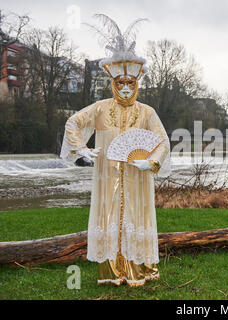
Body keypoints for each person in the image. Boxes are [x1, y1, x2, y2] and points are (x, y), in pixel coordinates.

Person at [60, 15, 170, 287]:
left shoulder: (147, 112)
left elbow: (163, 142)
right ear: (112, 83)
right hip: (107, 176)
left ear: (137, 83)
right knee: (108, 216)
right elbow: (73, 122)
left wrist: (151, 162)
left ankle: (138, 268)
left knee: (136, 216)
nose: (124, 88)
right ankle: (110, 271)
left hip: (137, 176)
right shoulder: (99, 108)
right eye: (119, 83)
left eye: (129, 84)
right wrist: (82, 149)